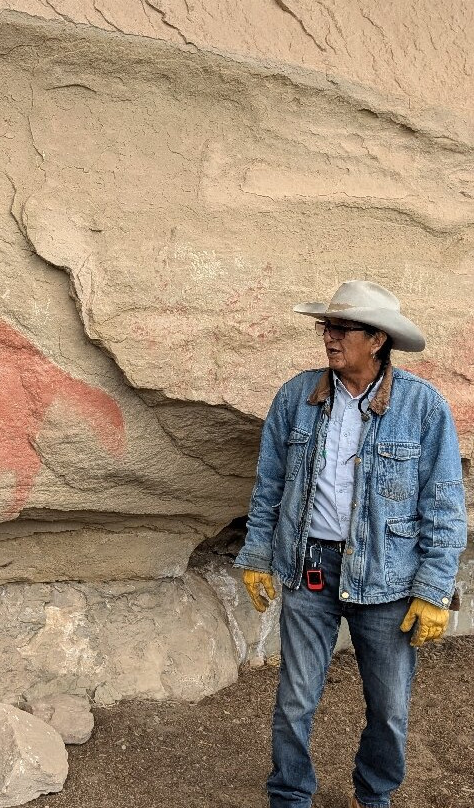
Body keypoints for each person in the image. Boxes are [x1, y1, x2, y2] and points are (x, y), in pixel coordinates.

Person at [234, 280, 468, 808]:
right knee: (295, 700)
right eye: (327, 326)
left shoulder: (422, 406)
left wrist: (434, 588)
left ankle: (373, 795)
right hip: (310, 567)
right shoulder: (296, 396)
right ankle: (289, 796)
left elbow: (444, 502)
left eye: (343, 328)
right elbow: (270, 484)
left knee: (389, 708)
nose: (329, 337)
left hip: (387, 575)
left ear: (378, 339)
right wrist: (258, 554)